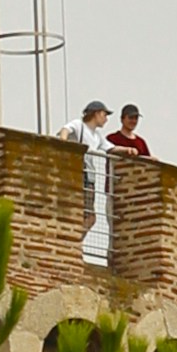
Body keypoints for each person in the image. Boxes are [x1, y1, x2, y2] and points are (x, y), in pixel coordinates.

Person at [61, 97, 113, 263]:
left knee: (89, 217)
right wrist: (64, 144)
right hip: (80, 173)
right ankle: (73, 245)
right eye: (104, 114)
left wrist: (129, 150)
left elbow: (111, 148)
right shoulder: (79, 125)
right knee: (87, 216)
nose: (106, 118)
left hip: (89, 176)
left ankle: (74, 244)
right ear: (96, 113)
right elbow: (65, 130)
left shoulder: (97, 136)